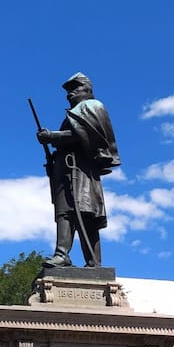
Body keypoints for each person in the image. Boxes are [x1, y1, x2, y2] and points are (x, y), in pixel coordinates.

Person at [35, 73, 121, 268]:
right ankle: (62, 254)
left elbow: (85, 135)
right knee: (65, 212)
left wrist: (52, 136)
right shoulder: (76, 112)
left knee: (85, 213)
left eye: (75, 89)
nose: (70, 94)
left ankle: (92, 262)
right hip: (65, 169)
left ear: (87, 90)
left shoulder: (91, 106)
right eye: (68, 91)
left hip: (81, 170)